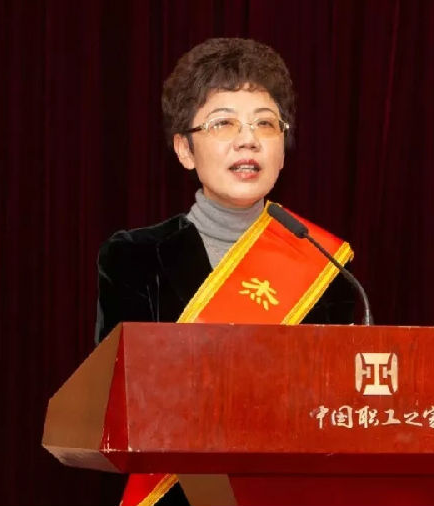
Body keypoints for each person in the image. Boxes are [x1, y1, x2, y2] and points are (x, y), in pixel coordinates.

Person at [94, 38, 356, 506]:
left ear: (282, 148)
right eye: (223, 123)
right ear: (184, 149)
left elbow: (339, 413)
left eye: (265, 123)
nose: (247, 139)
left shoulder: (325, 264)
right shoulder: (134, 257)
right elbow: (118, 402)